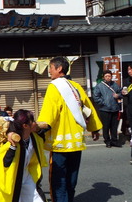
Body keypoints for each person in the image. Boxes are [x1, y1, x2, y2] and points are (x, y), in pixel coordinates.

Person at [36, 56, 101, 202]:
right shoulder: (76, 86)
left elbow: (49, 114)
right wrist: (94, 129)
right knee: (71, 177)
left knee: (58, 180)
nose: (49, 71)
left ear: (59, 69)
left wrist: (38, 130)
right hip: (76, 141)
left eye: (51, 68)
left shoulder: (54, 86)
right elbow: (88, 108)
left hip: (60, 143)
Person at [0, 109, 47, 202]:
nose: (35, 123)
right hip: (13, 178)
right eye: (32, 121)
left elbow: (45, 131)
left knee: (37, 199)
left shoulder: (33, 137)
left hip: (26, 174)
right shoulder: (12, 142)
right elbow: (5, 163)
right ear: (25, 126)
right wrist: (12, 146)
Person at [93, 70, 123, 148]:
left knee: (114, 126)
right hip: (104, 110)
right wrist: (103, 103)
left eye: (109, 76)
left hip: (115, 108)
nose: (108, 77)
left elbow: (121, 93)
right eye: (106, 76)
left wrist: (118, 95)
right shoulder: (99, 86)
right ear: (103, 77)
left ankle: (114, 140)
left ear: (111, 77)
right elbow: (96, 97)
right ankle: (107, 141)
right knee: (106, 126)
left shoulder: (115, 85)